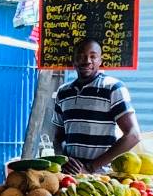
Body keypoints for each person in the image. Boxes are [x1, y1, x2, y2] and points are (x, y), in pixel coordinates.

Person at [51, 37, 140, 174]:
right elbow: (58, 138)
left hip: (102, 177)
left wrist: (90, 167)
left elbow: (133, 135)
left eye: (93, 56)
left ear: (100, 61)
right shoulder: (63, 93)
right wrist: (64, 160)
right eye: (81, 56)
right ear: (74, 61)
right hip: (69, 176)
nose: (87, 61)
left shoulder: (113, 88)